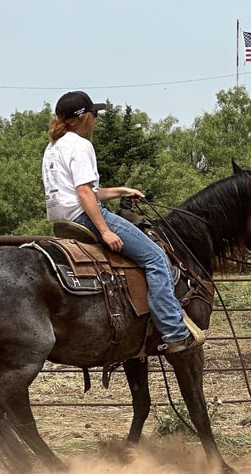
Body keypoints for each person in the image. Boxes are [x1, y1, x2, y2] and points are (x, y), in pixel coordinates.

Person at [41, 90, 201, 354]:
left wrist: (122, 191)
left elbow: (86, 191)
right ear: (83, 117)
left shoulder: (54, 146)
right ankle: (174, 332)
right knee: (156, 258)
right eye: (94, 113)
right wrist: (104, 231)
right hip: (84, 216)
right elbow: (84, 193)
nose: (96, 118)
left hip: (61, 219)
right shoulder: (81, 145)